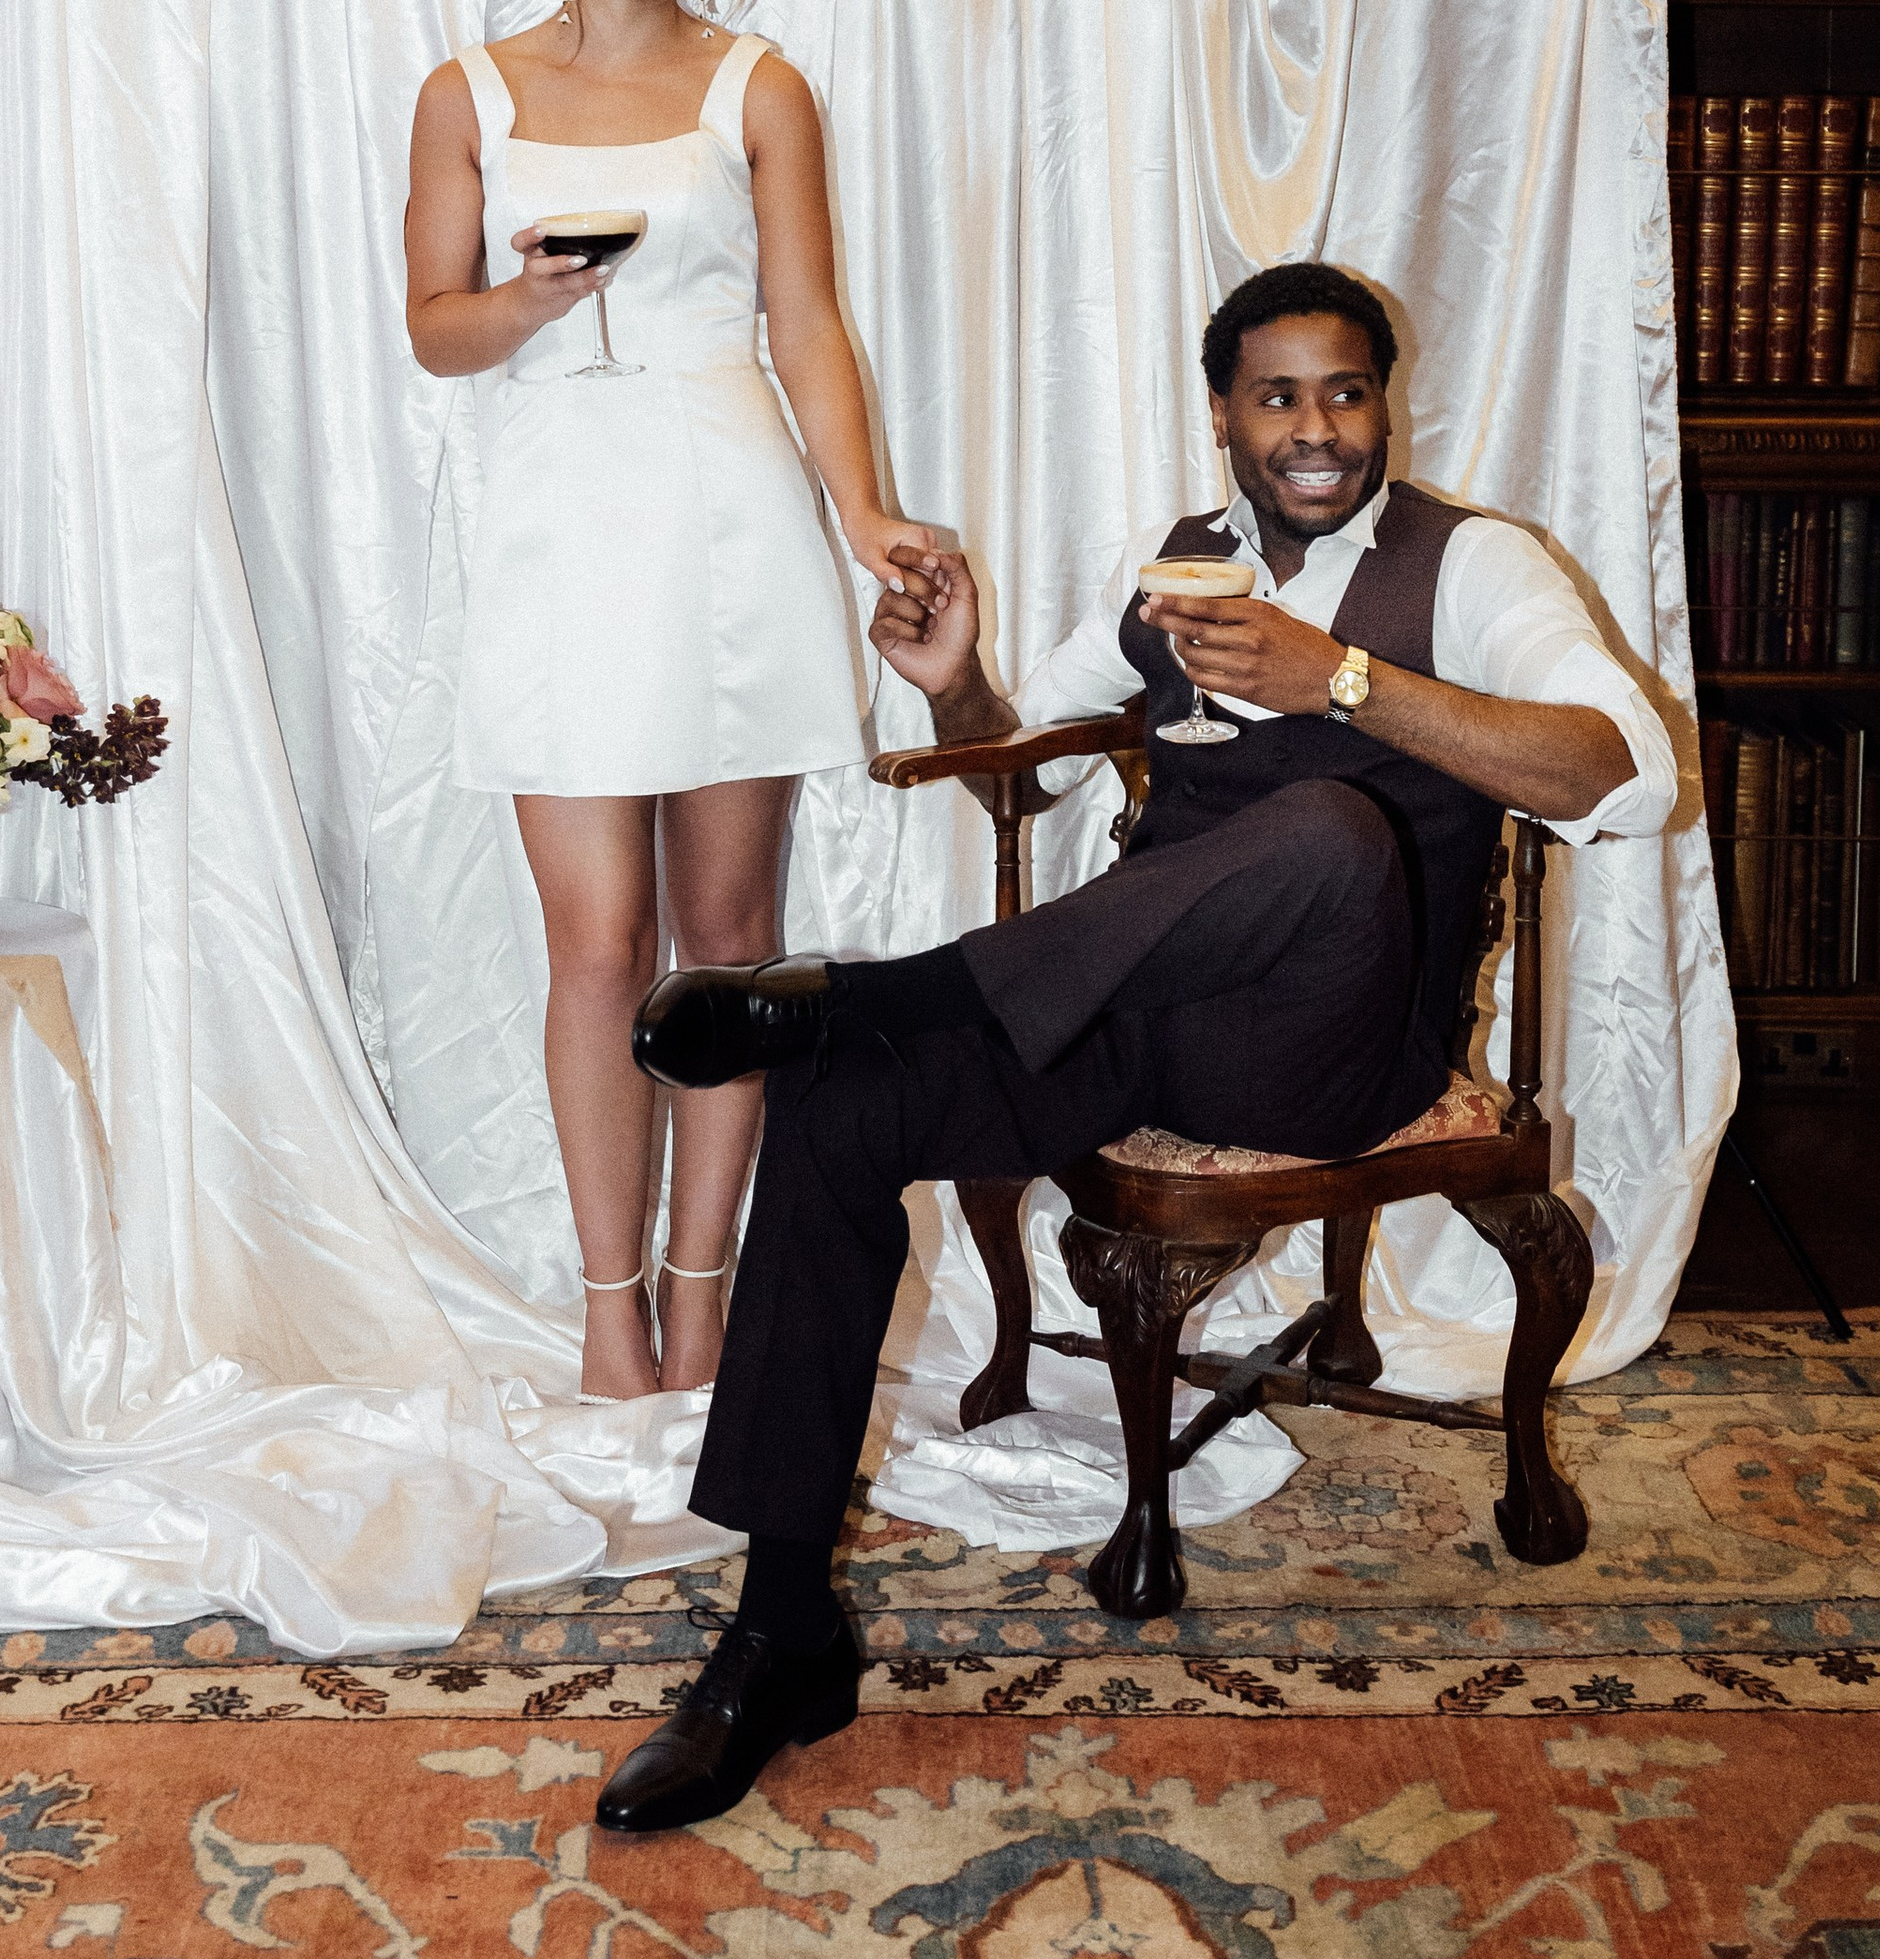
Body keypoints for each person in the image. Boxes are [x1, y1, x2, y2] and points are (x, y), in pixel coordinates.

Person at [595, 261, 1677, 1827]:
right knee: (837, 1106)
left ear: (1387, 401)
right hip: (1138, 1019)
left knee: (1322, 830)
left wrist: (1350, 685)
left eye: (1346, 391)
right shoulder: (1183, 570)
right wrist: (955, 677)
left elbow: (1624, 773)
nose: (1316, 428)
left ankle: (882, 987)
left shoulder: (1474, 568)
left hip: (1338, 1051)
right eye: (1277, 395)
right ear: (1225, 413)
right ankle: (779, 1632)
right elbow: (1019, 775)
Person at [405, 0, 921, 1403]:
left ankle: (708, 1305)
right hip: (563, 527)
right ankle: (610, 1314)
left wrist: (864, 523)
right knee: (598, 947)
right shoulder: (467, 94)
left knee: (729, 935)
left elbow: (809, 325)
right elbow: (433, 332)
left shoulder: (759, 85)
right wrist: (539, 296)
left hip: (732, 519)